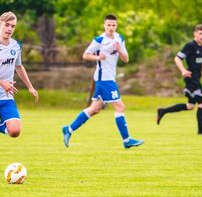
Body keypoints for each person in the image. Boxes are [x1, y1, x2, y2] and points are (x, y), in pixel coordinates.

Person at [61, 14, 144, 149]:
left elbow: (126, 59)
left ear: (116, 26)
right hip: (104, 79)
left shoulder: (119, 38)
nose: (111, 27)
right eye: (108, 25)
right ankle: (127, 140)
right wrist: (98, 57)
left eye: (113, 25)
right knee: (120, 107)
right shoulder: (99, 40)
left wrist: (119, 49)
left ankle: (68, 129)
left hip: (107, 78)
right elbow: (85, 55)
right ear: (104, 25)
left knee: (95, 109)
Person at [0, 11, 38, 171]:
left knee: (15, 131)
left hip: (6, 97)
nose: (9, 29)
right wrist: (2, 83)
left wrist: (30, 86)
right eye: (7, 25)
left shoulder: (16, 46)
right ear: (0, 25)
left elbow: (19, 66)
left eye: (13, 26)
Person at [156, 24, 202, 134]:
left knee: (190, 106)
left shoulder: (201, 46)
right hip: (191, 79)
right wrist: (183, 70)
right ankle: (201, 131)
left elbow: (197, 61)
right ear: (195, 33)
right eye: (200, 33)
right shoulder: (190, 45)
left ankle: (163, 111)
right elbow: (177, 58)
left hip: (196, 78)